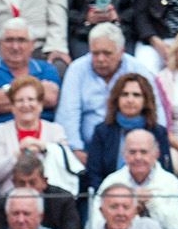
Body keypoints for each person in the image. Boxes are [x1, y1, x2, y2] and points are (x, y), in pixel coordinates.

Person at [59, 23, 153, 163]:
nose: (100, 59)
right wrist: (75, 150)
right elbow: (68, 113)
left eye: (107, 53)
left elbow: (154, 110)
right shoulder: (77, 69)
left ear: (121, 52)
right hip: (86, 151)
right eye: (95, 53)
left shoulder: (137, 68)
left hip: (132, 151)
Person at [83, 71, 175, 191]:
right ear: (116, 99)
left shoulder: (158, 132)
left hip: (152, 194)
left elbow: (166, 173)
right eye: (124, 94)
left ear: (146, 100)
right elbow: (94, 174)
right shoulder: (102, 131)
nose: (130, 100)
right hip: (111, 196)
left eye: (136, 95)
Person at [0, 18, 63, 136]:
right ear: (0, 43)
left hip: (40, 139)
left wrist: (4, 92)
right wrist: (33, 96)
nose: (15, 46)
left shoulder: (46, 69)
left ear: (32, 44)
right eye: (9, 40)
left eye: (21, 40)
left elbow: (50, 98)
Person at [91, 127, 178, 229]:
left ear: (156, 154)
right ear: (124, 155)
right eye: (132, 152)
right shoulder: (111, 182)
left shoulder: (171, 183)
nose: (138, 157)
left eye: (143, 152)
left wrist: (152, 202)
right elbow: (94, 226)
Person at [0, 75, 70, 187]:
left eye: (31, 99)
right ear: (12, 106)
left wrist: (45, 149)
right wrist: (17, 156)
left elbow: (67, 167)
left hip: (48, 196)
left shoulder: (55, 130)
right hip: (10, 194)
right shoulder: (0, 132)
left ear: (40, 105)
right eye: (20, 100)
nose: (26, 105)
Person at [0, 152, 85, 229]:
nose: (27, 188)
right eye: (22, 183)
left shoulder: (63, 199)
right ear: (14, 183)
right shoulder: (5, 202)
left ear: (44, 181)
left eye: (32, 183)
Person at [74, 182, 173, 229]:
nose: (121, 213)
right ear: (102, 212)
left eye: (126, 207)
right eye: (114, 207)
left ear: (135, 211)